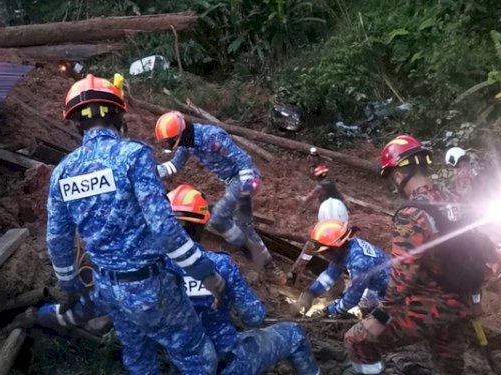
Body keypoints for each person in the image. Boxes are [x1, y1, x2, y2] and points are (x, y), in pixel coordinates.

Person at [32, 184, 320, 375]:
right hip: (226, 363)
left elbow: (86, 310)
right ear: (202, 225)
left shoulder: (143, 271)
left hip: (175, 363)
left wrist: (40, 314)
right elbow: (255, 317)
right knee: (294, 334)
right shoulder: (219, 266)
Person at [46, 74, 225, 375]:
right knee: (196, 356)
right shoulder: (133, 156)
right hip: (150, 288)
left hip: (107, 288)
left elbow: (57, 240)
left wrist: (71, 287)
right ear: (119, 114)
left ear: (76, 123)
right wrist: (207, 275)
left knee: (138, 356)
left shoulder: (62, 173)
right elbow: (165, 229)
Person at [343, 135, 493, 374]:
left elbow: (404, 274)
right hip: (463, 303)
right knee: (449, 366)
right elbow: (477, 254)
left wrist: (380, 316)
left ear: (399, 176)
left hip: (430, 307)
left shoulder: (411, 213)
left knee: (357, 340)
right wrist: (475, 299)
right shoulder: (454, 201)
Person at [154, 111, 285, 282]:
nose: (171, 144)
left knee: (219, 218)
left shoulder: (212, 136)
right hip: (232, 182)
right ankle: (270, 267)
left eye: (171, 140)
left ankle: (244, 250)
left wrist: (244, 194)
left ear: (182, 133)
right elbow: (174, 165)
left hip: (247, 178)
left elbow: (244, 159)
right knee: (244, 226)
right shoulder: (188, 145)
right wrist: (151, 172)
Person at [291, 220, 389, 318]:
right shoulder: (347, 248)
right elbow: (331, 274)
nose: (324, 256)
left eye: (324, 252)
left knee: (374, 318)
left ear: (335, 248)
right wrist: (311, 293)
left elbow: (353, 298)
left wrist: (328, 311)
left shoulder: (360, 262)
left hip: (391, 291)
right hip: (376, 282)